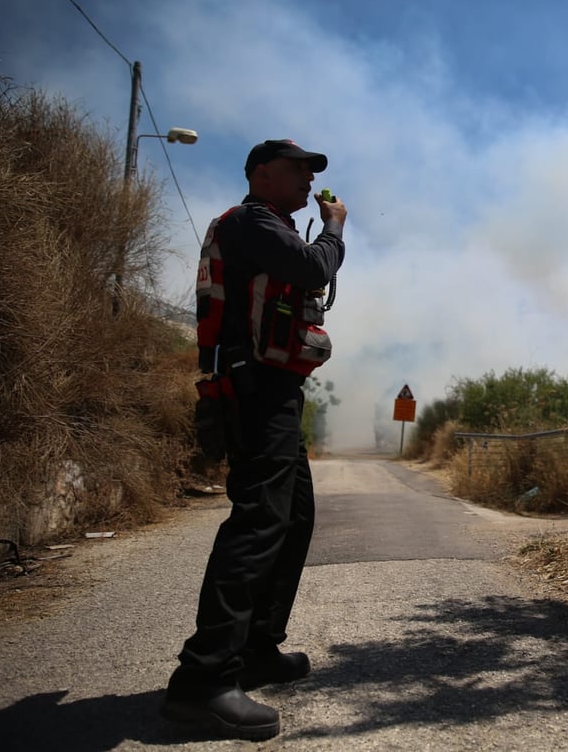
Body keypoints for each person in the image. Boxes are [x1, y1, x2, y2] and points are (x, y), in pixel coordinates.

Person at [162, 139, 347, 741]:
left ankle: (257, 649)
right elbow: (315, 267)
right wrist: (335, 228)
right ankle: (202, 682)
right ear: (260, 175)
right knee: (258, 523)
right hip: (255, 387)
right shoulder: (251, 223)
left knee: (292, 518)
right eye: (296, 169)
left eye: (310, 172)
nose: (306, 179)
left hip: (274, 390)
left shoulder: (270, 227)